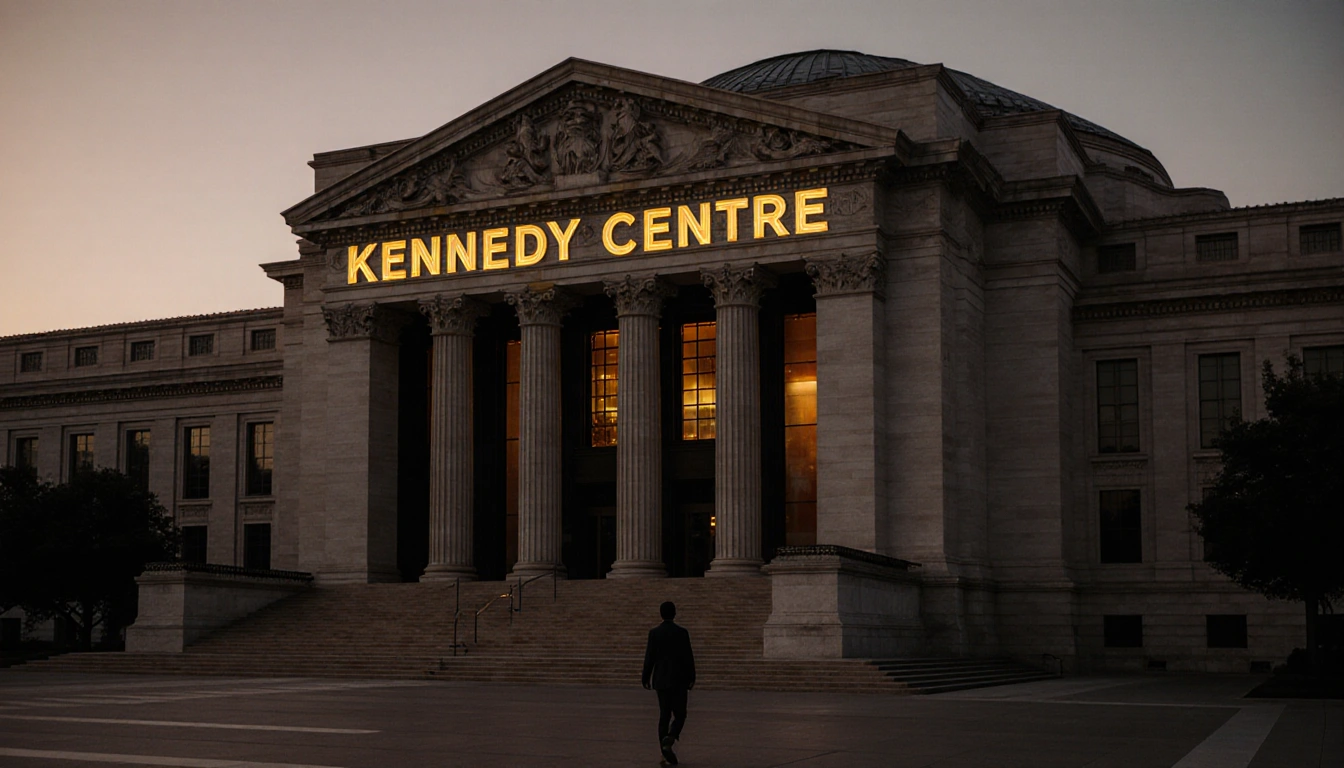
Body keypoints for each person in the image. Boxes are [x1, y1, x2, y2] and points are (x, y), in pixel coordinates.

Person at [642, 600, 695, 766]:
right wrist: (692, 677)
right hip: (679, 681)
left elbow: (649, 657)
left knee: (664, 715)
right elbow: (688, 656)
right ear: (675, 613)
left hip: (661, 680)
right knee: (680, 714)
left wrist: (645, 677)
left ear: (661, 614)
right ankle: (671, 737)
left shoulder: (654, 633)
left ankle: (664, 753)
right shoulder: (682, 632)